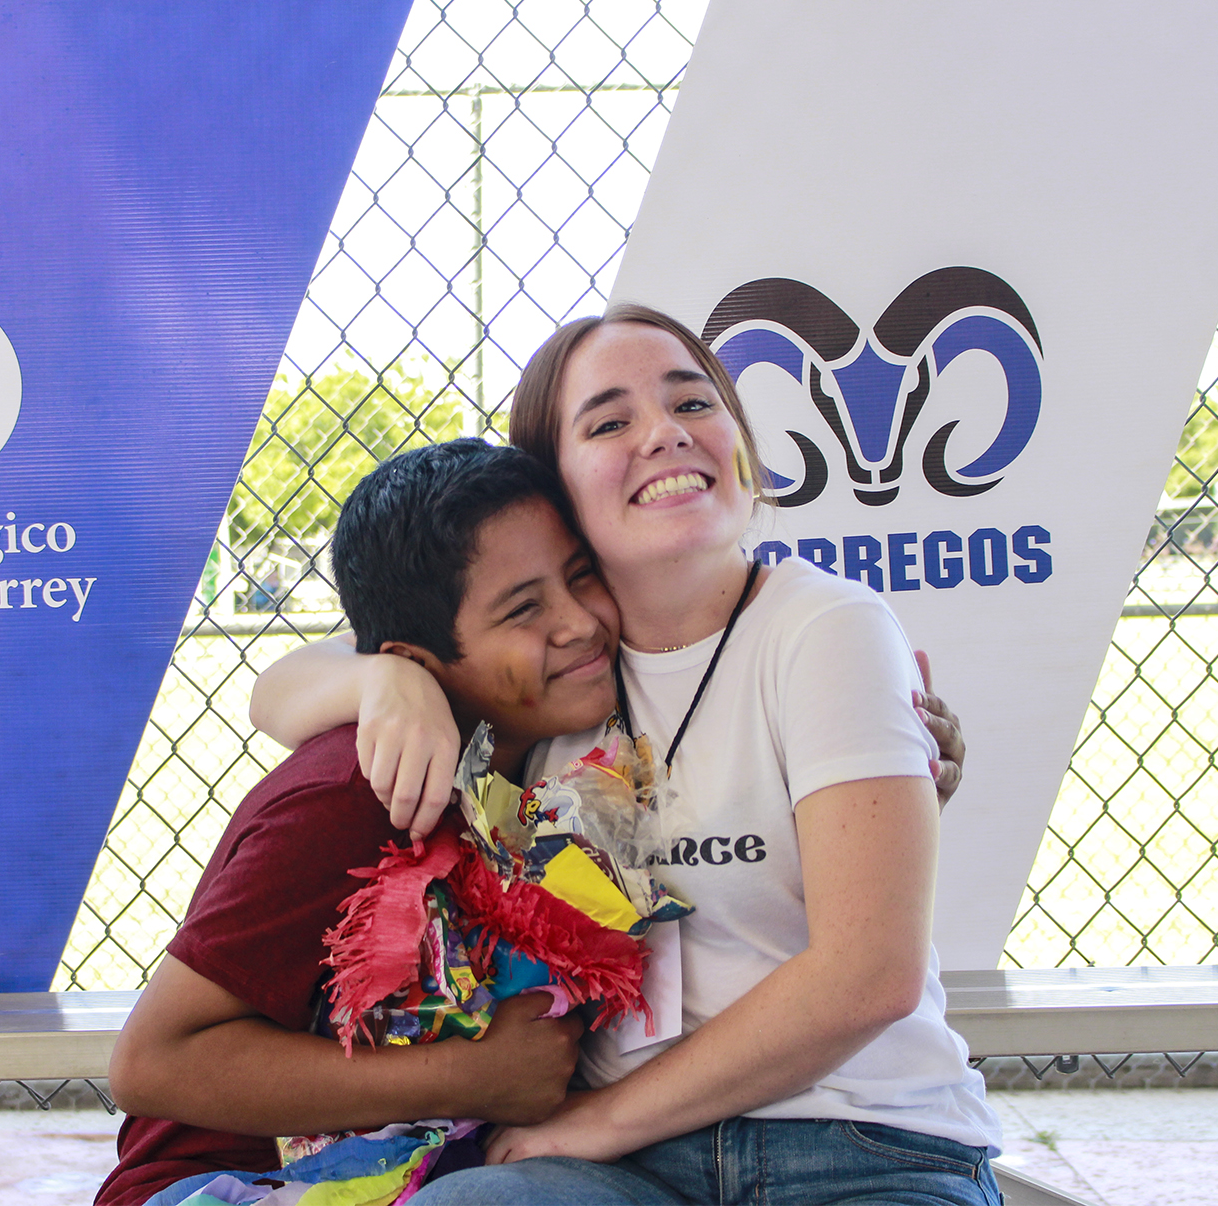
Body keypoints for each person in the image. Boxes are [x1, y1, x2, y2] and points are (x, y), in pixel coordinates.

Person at [249, 304, 1002, 1205]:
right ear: (556, 493)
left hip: (856, 1140)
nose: (665, 435)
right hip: (620, 1176)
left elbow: (868, 976)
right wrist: (382, 682)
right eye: (610, 421)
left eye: (694, 403)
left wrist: (590, 1125)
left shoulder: (825, 627)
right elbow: (279, 688)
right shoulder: (551, 669)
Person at [100, 441, 618, 1206]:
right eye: (523, 609)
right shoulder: (353, 793)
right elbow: (151, 1062)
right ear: (417, 658)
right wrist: (472, 1078)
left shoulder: (559, 750)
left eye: (581, 576)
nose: (580, 624)